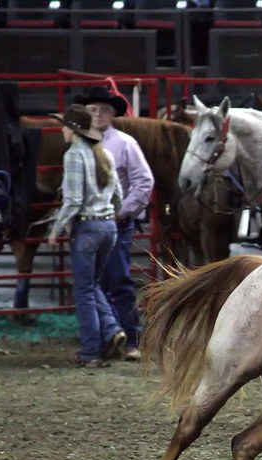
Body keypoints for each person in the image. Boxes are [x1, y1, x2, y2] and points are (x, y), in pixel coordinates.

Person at [73, 86, 154, 361]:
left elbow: (144, 181)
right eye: (92, 110)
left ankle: (131, 339)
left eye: (103, 110)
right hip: (95, 220)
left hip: (115, 221)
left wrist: (123, 211)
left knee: (116, 280)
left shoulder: (124, 143)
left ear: (112, 114)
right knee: (96, 281)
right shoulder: (81, 145)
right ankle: (109, 337)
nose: (97, 114)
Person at [46, 104, 123, 368]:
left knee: (84, 290)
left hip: (88, 228)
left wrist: (56, 229)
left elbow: (74, 200)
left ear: (74, 129)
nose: (62, 129)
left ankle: (91, 350)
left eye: (64, 125)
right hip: (108, 226)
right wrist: (112, 215)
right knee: (93, 284)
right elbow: (118, 195)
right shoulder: (104, 154)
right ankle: (112, 330)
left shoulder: (74, 155)